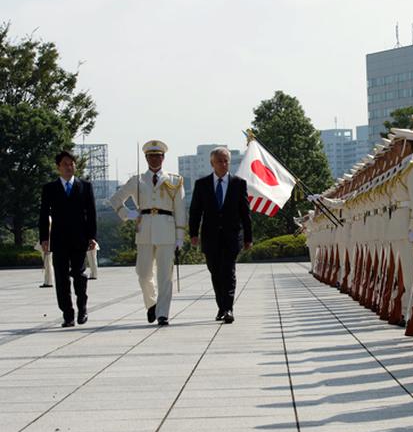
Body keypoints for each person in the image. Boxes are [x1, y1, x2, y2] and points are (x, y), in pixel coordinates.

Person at [109, 140, 186, 326]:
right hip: (144, 230)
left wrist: (179, 237)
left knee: (165, 276)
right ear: (146, 158)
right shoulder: (137, 180)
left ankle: (162, 314)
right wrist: (128, 214)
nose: (154, 159)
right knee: (143, 273)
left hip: (166, 229)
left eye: (158, 156)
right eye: (151, 156)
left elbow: (180, 209)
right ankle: (151, 304)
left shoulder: (174, 180)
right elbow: (115, 199)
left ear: (163, 157)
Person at [189, 147, 253, 324]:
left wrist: (248, 237)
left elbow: (245, 213)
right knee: (215, 273)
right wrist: (193, 233)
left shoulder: (238, 183)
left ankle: (228, 308)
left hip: (231, 237)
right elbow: (195, 211)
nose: (223, 164)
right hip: (210, 238)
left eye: (226, 161)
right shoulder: (201, 184)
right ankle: (221, 306)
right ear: (212, 163)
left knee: (229, 272)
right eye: (219, 161)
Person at [39, 150, 97, 327]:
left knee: (79, 275)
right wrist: (44, 238)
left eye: (71, 164)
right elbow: (43, 215)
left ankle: (82, 308)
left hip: (80, 238)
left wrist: (92, 236)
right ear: (58, 167)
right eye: (65, 164)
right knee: (61, 277)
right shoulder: (50, 188)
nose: (69, 167)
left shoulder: (85, 186)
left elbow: (92, 214)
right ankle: (68, 314)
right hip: (59, 239)